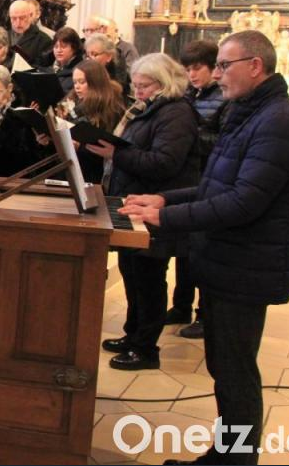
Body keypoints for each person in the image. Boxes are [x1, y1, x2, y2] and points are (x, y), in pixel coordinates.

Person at [122, 31, 289, 465]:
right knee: (226, 368)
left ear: (256, 66)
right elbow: (215, 185)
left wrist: (165, 218)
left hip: (248, 263)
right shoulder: (249, 113)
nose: (216, 75)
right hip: (229, 259)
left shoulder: (277, 121)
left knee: (235, 371)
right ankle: (225, 457)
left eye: (226, 66)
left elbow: (245, 201)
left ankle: (235, 461)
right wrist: (166, 199)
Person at [90, 53, 199, 372]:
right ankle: (132, 335)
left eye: (144, 85)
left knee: (149, 278)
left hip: (157, 207)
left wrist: (117, 154)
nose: (136, 91)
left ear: (163, 84)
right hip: (133, 203)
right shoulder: (149, 108)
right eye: (134, 85)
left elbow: (165, 163)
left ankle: (146, 348)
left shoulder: (177, 113)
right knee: (132, 272)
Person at [166, 40, 229, 340]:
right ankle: (180, 305)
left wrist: (190, 137)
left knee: (201, 250)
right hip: (189, 179)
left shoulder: (224, 98)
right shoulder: (188, 95)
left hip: (209, 178)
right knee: (183, 249)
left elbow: (222, 143)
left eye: (198, 68)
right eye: (187, 69)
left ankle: (203, 315)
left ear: (214, 68)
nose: (192, 75)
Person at [8, 0, 52, 67]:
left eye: (22, 18)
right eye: (14, 18)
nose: (18, 23)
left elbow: (43, 69)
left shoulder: (44, 41)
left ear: (30, 16)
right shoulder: (4, 36)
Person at [44, 27, 84, 93]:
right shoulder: (49, 70)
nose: (59, 50)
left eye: (63, 46)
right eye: (56, 47)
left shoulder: (80, 71)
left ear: (74, 48)